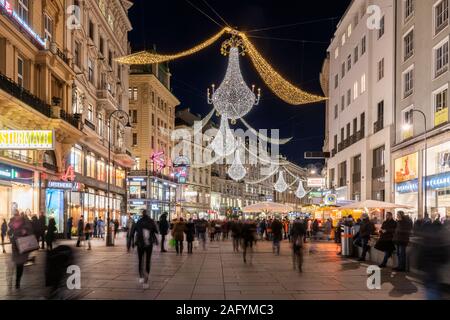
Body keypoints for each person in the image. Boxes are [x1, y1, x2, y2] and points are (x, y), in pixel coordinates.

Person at [130, 210, 158, 288]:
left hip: (140, 243)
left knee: (140, 260)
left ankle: (141, 276)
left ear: (142, 215)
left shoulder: (138, 222)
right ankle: (146, 281)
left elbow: (132, 233)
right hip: (149, 244)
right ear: (147, 214)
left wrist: (132, 242)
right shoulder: (151, 221)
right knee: (148, 261)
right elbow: (156, 231)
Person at [8, 210, 34, 289]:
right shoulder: (11, 224)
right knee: (18, 264)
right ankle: (16, 281)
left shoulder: (25, 223)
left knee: (20, 264)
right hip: (16, 246)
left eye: (17, 215)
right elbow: (9, 233)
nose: (16, 217)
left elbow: (30, 230)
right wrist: (12, 236)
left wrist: (25, 232)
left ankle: (17, 281)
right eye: (15, 215)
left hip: (23, 245)